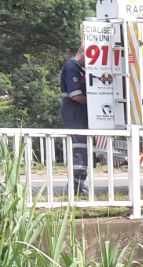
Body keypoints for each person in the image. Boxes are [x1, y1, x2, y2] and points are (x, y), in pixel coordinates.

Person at [60, 48, 90, 196]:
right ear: (83, 54)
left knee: (82, 147)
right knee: (79, 147)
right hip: (74, 113)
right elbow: (76, 96)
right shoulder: (72, 67)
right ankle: (77, 185)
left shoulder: (80, 69)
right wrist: (95, 103)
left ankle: (78, 183)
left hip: (79, 113)